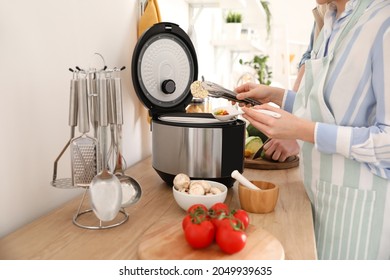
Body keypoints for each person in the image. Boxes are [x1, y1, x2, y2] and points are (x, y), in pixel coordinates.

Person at [236, 0, 390, 260]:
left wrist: (302, 130)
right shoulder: (328, 20)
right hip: (319, 199)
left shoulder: (382, 23)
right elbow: (329, 110)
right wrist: (276, 96)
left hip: (359, 213)